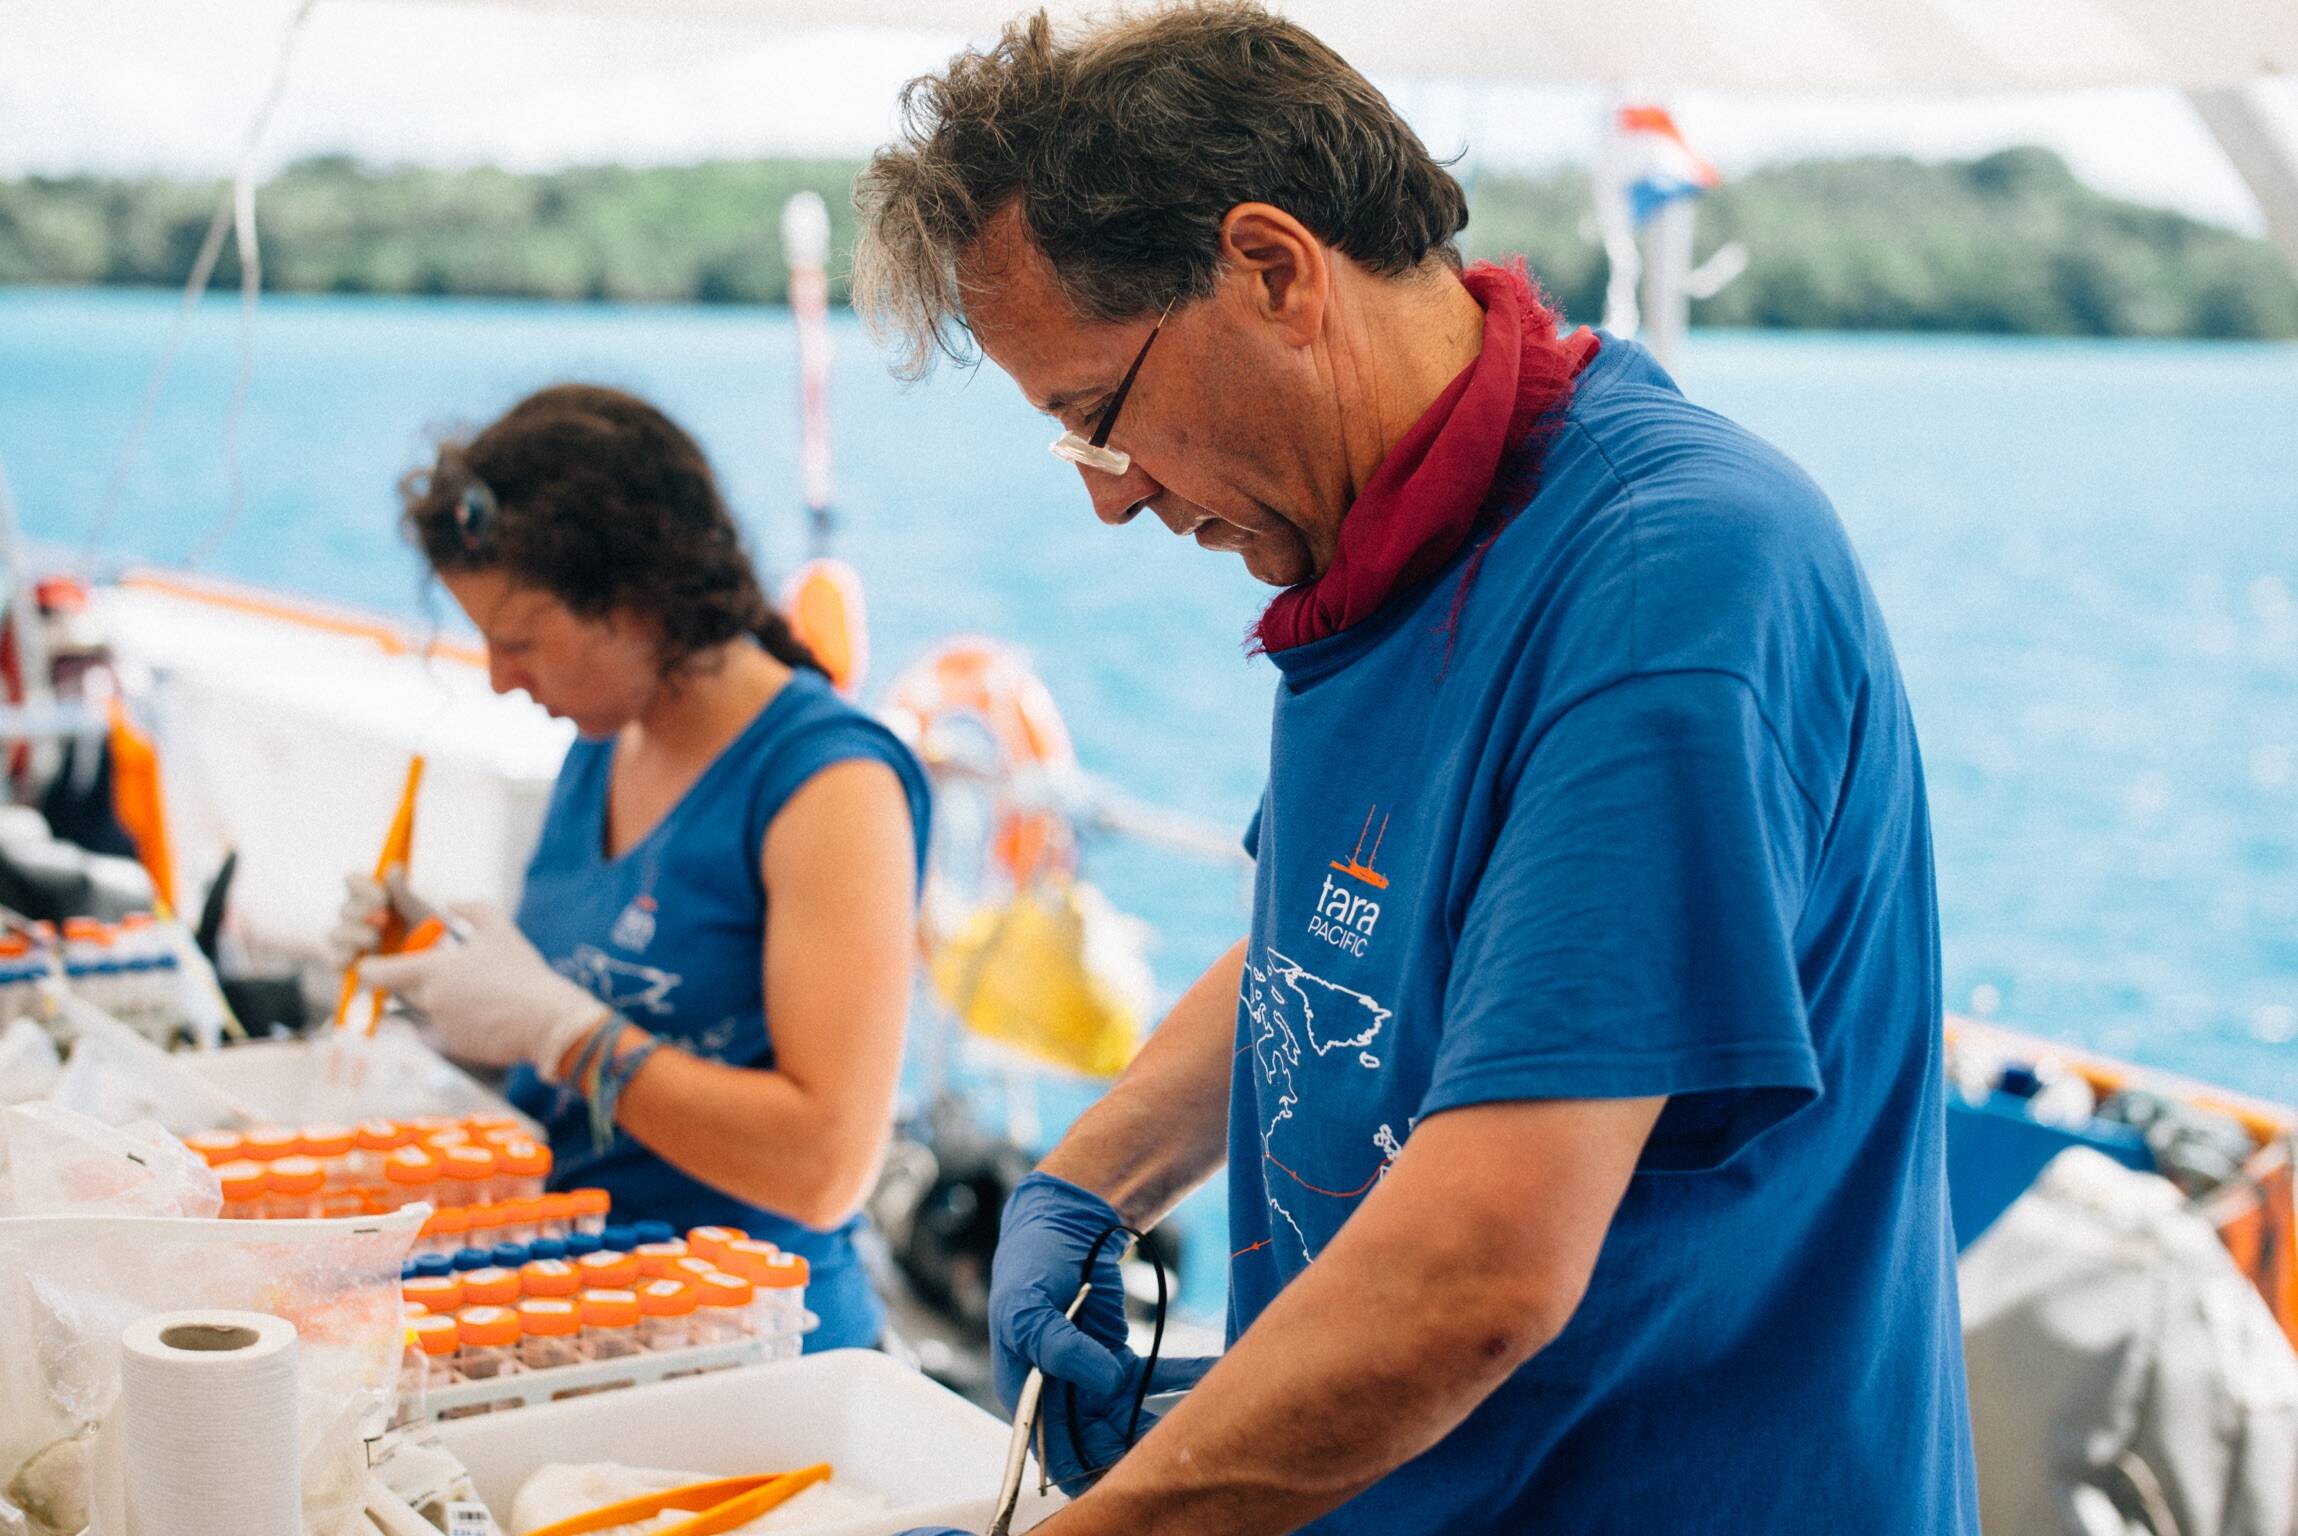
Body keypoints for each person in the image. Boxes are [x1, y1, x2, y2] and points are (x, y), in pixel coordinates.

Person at [853, 4, 1977, 1532]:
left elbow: (1478, 1274)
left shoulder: (1667, 587)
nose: (1112, 507)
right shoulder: (1385, 552)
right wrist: (1091, 1176)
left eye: (1096, 421)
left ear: (1269, 270)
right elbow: (1334, 945)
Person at [343, 383, 929, 1351]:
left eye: (518, 642)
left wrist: (565, 1033)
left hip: (748, 1327)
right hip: (579, 1296)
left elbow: (826, 1166)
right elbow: (593, 1012)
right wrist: (446, 984)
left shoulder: (829, 787)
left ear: (636, 602)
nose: (498, 678)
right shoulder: (604, 745)